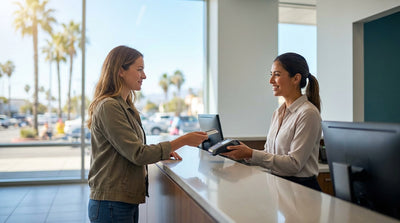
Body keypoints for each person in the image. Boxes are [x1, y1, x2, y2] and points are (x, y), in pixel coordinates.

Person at [87, 45, 208, 223]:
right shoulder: (109, 106)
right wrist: (183, 140)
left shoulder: (125, 106)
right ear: (121, 70)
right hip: (111, 204)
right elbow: (138, 154)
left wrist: (164, 151)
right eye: (139, 69)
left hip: (122, 202)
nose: (144, 76)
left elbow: (132, 149)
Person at [222, 52, 322, 191]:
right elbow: (269, 153)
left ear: (296, 78)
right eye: (271, 74)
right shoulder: (278, 113)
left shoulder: (308, 113)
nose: (271, 81)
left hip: (302, 190)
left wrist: (251, 153)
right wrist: (244, 154)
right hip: (280, 187)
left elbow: (294, 164)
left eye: (277, 74)